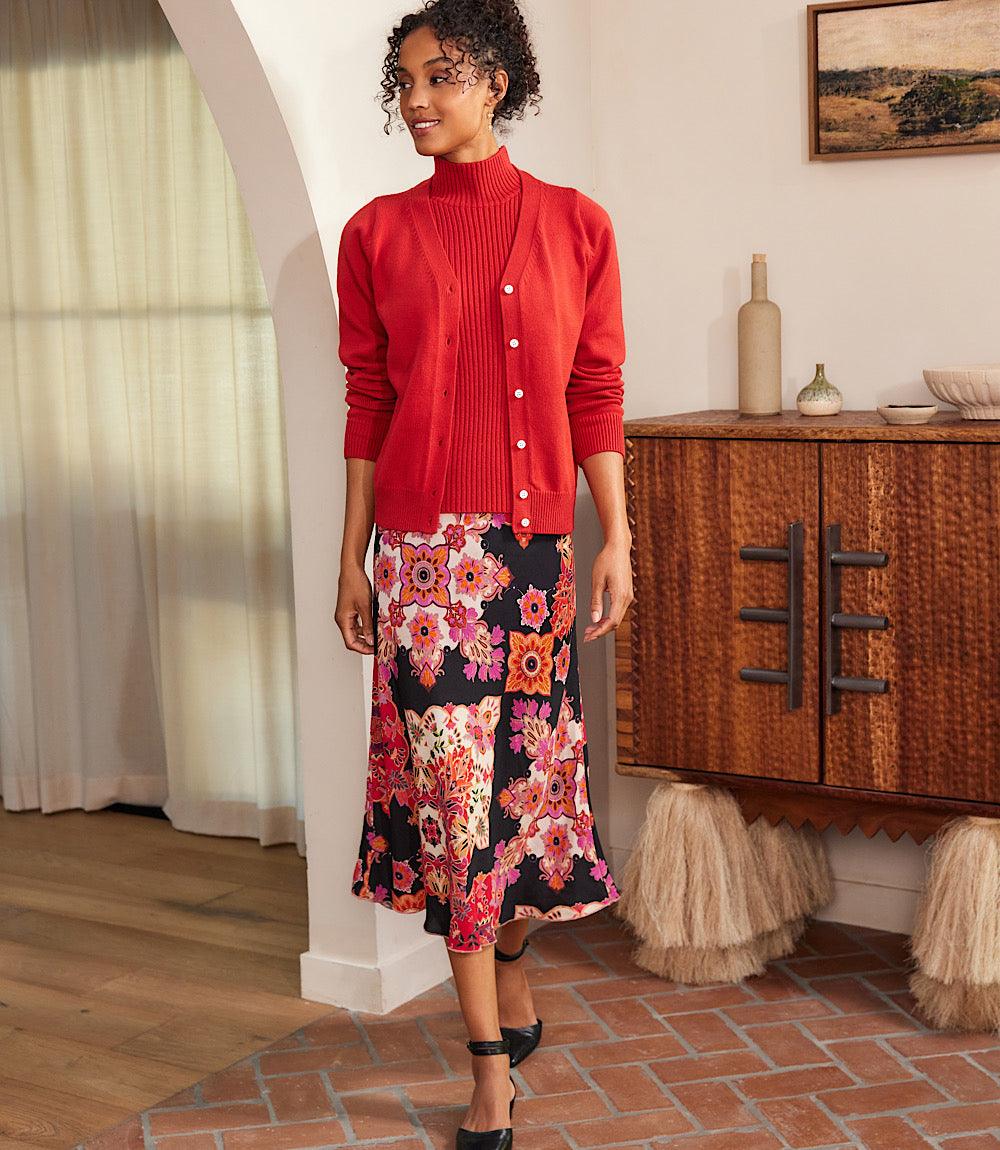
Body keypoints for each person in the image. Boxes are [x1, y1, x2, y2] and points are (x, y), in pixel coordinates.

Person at [334, 2, 633, 1146]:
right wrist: (351, 556)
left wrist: (619, 536)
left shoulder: (576, 225)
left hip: (534, 559)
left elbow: (592, 391)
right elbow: (368, 402)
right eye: (402, 81)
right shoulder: (377, 234)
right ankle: (487, 1070)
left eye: (441, 76)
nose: (416, 99)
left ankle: (512, 965)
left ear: (498, 82)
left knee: (523, 799)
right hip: (421, 566)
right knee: (459, 810)